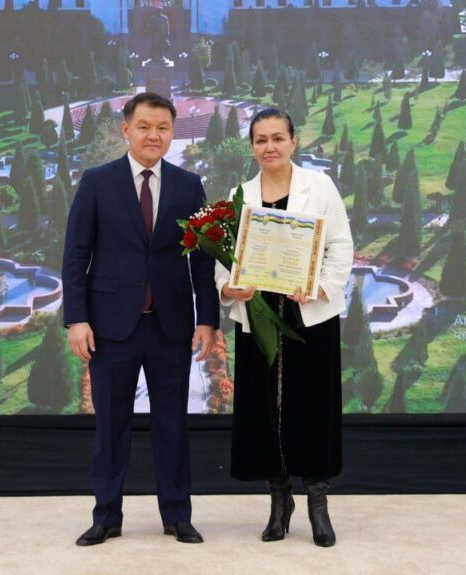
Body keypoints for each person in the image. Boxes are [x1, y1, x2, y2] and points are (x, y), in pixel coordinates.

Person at [63, 92, 219, 546]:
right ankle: (106, 517)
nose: (154, 135)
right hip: (111, 328)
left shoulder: (189, 186)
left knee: (172, 426)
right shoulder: (97, 182)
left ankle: (177, 515)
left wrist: (207, 319)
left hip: (171, 326)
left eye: (163, 128)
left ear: (172, 132)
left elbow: (203, 258)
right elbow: (76, 255)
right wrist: (77, 319)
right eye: (145, 126)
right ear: (126, 129)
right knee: (111, 428)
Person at [216, 108, 354, 547]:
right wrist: (229, 287)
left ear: (294, 142)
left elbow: (341, 247)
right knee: (262, 409)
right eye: (261, 140)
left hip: (309, 316)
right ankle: (279, 500)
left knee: (313, 407)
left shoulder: (320, 187)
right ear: (252, 146)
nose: (270, 147)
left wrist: (320, 287)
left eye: (278, 138)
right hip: (257, 316)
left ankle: (317, 502)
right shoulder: (240, 194)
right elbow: (224, 258)